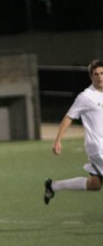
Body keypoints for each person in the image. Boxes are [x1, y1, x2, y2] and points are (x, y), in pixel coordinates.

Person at [44, 59, 103, 204]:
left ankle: (53, 186)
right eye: (96, 74)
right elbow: (68, 117)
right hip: (97, 147)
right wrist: (58, 140)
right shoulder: (86, 97)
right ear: (91, 77)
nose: (100, 77)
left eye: (102, 73)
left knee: (94, 184)